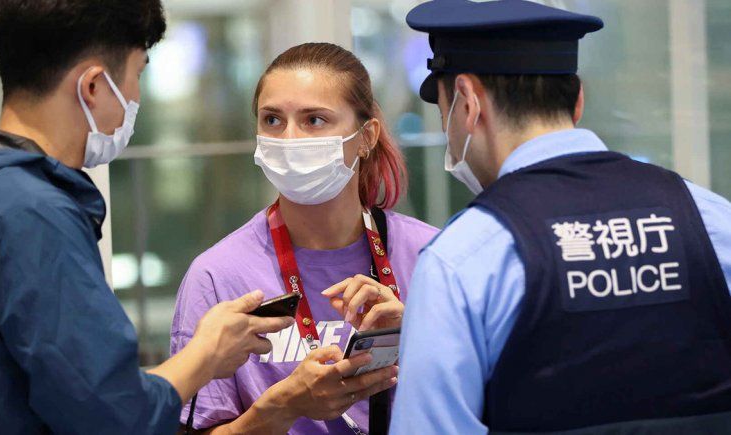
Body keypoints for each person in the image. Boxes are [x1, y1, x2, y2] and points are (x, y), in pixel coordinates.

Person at [392, 0, 731, 434]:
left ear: (468, 102)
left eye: (444, 114)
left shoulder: (463, 259)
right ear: (578, 102)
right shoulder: (706, 216)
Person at [0, 1, 293, 433]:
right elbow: (108, 415)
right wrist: (206, 353)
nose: (135, 96)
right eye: (137, 74)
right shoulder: (35, 215)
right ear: (94, 86)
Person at [170, 42, 439, 434]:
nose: (290, 139)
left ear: (366, 137)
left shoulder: (432, 257)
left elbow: (492, 404)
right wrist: (282, 406)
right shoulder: (217, 276)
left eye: (314, 120)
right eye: (273, 120)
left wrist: (420, 336)